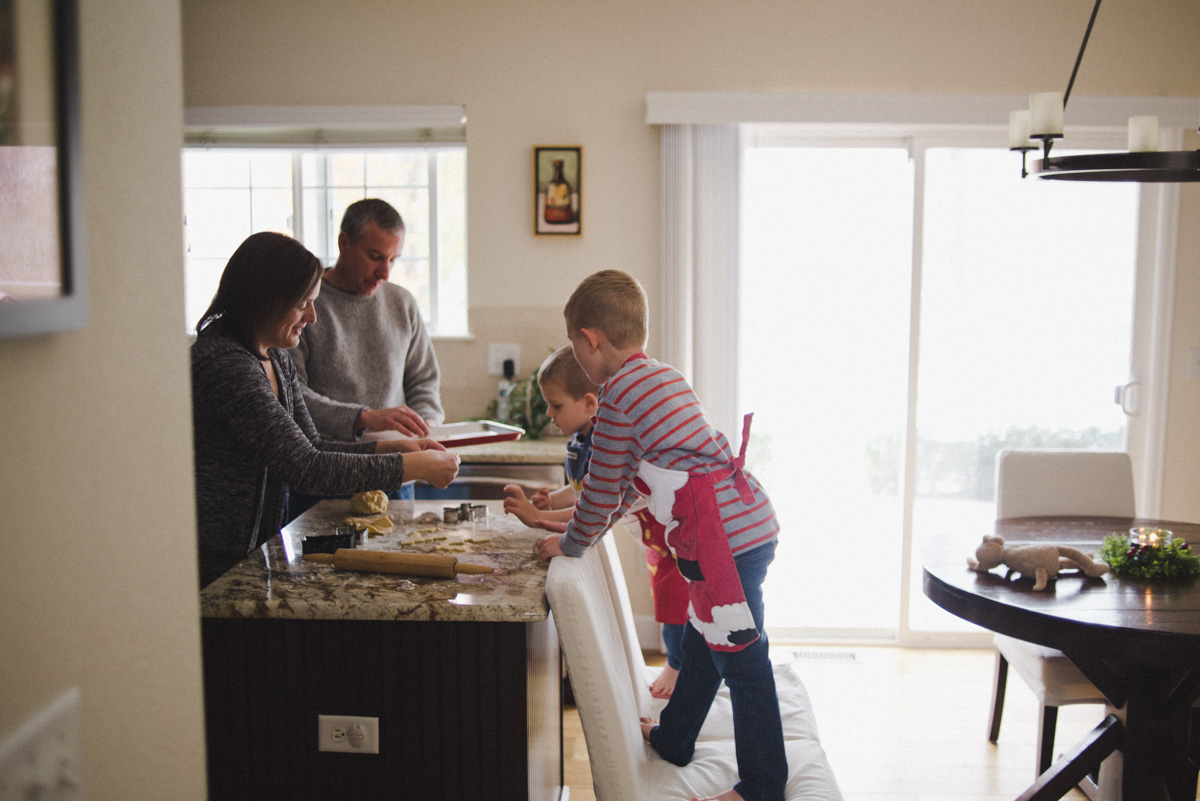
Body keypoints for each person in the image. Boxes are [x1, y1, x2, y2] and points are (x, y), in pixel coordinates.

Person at [535, 270, 786, 801]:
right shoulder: (661, 377)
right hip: (735, 530)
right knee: (701, 641)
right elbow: (630, 487)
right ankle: (675, 738)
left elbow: (602, 487)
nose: (575, 354)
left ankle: (763, 787)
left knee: (743, 663)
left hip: (723, 544)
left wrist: (571, 542)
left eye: (574, 345)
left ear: (591, 340)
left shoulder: (618, 398)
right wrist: (582, 529)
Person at [191, 231, 459, 589]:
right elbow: (306, 467)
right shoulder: (227, 365)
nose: (313, 316)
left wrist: (391, 448)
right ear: (265, 300)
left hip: (255, 553)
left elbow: (312, 446)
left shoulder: (274, 357)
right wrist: (412, 467)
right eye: (303, 303)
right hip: (217, 563)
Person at [504, 345, 690, 699]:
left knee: (675, 605)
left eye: (556, 405)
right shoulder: (583, 438)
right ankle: (683, 664)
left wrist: (537, 516)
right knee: (670, 602)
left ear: (590, 403)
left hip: (676, 540)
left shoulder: (610, 442)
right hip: (657, 540)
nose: (549, 414)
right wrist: (552, 499)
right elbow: (583, 490)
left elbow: (594, 508)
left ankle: (678, 666)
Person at [289, 198, 444, 513]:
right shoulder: (303, 307)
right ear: (344, 243)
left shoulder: (403, 304)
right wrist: (363, 417)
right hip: (326, 475)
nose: (384, 272)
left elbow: (424, 383)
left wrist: (425, 424)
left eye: (393, 259)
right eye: (375, 257)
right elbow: (294, 396)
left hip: (397, 474)